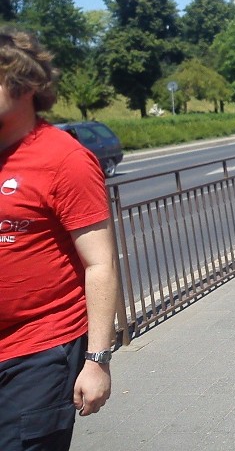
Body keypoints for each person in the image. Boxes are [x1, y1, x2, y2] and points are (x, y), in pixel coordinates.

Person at [0, 28, 119, 450]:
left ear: (26, 85)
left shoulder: (63, 159)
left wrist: (98, 360)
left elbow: (100, 264)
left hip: (38, 354)